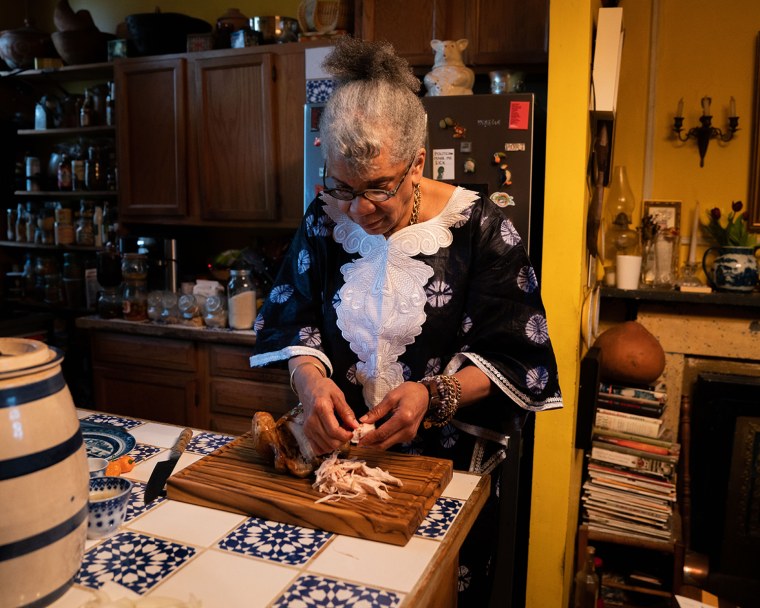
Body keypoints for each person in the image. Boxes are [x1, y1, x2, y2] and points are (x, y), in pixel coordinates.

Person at [250, 37, 563, 605]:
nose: (358, 209)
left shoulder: (482, 227)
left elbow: (521, 357)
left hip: (442, 477)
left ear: (417, 162)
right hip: (333, 469)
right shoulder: (324, 221)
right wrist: (310, 380)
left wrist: (432, 395)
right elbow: (289, 315)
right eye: (342, 187)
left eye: (378, 189)